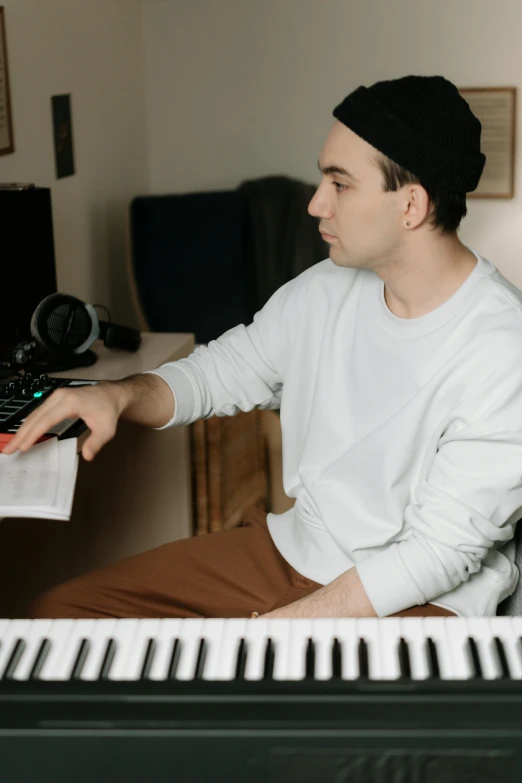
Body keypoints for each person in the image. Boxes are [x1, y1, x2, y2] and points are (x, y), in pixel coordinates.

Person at [4, 74, 522, 622]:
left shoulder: (501, 347)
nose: (316, 204)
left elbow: (439, 553)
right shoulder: (324, 289)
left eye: (340, 184)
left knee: (263, 699)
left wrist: (289, 626)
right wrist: (119, 395)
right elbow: (220, 372)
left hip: (419, 597)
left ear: (411, 205)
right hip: (288, 553)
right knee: (58, 615)